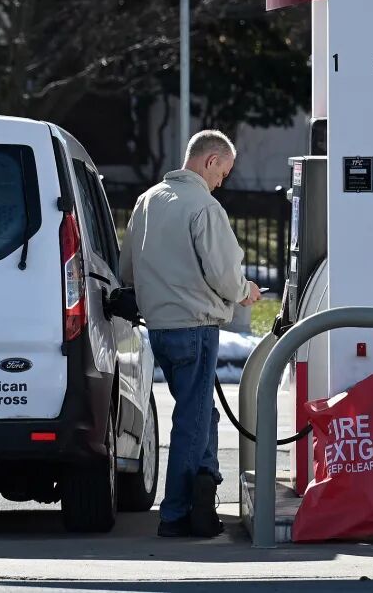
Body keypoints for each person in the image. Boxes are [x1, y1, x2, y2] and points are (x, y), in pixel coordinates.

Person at [119, 129, 261, 538]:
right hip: (195, 327)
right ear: (210, 160)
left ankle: (204, 494)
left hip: (159, 328)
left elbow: (128, 268)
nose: (223, 181)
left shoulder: (147, 201)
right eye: (224, 172)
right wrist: (244, 291)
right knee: (192, 421)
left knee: (202, 414)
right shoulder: (204, 207)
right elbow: (223, 273)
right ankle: (177, 513)